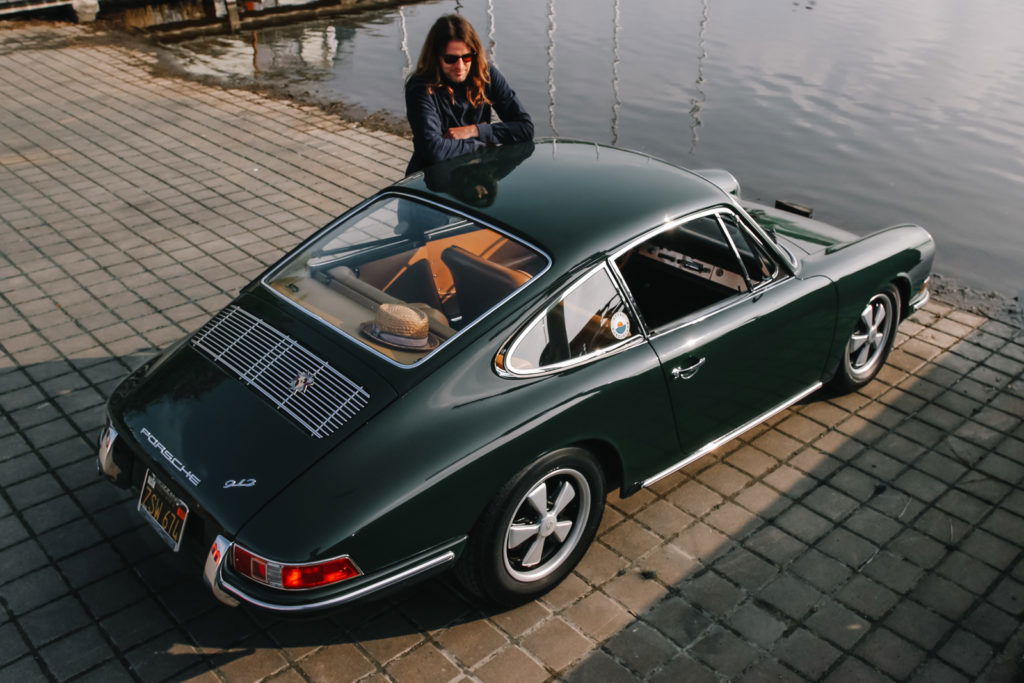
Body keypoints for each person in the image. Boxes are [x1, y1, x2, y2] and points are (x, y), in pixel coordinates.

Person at [405, 14, 534, 176]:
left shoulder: (486, 74)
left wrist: (474, 131)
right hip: (430, 182)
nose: (460, 66)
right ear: (435, 58)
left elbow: (525, 128)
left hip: (477, 180)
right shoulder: (420, 87)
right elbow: (434, 151)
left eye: (466, 57)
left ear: (475, 54)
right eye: (450, 59)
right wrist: (485, 145)